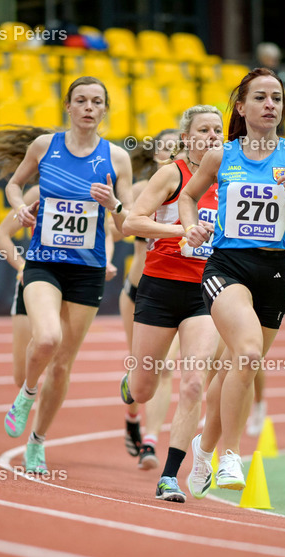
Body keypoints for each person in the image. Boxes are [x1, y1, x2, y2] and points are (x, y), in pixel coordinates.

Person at [180, 68, 285, 492]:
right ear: (242, 107)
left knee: (233, 370)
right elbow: (186, 195)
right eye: (260, 97)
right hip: (227, 268)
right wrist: (190, 228)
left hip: (274, 273)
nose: (270, 104)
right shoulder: (222, 156)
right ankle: (231, 455)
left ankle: (202, 450)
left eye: (277, 97)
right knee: (249, 353)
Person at [2, 76, 134, 475]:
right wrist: (19, 209)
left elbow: (128, 223)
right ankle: (26, 394)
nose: (89, 107)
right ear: (69, 106)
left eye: (97, 101)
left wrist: (114, 204)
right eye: (82, 100)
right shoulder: (45, 147)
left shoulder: (117, 158)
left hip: (87, 270)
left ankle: (38, 443)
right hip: (44, 262)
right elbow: (14, 184)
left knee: (62, 364)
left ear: (104, 109)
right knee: (47, 337)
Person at [121, 105, 224, 502]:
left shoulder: (231, 179)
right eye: (203, 130)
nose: (212, 136)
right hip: (160, 288)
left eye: (218, 130)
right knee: (145, 389)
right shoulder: (172, 174)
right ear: (187, 137)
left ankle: (169, 477)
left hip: (206, 291)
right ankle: (130, 384)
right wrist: (178, 229)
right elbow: (131, 222)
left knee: (195, 382)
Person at [121, 128, 178, 467]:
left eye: (177, 148)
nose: (172, 154)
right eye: (166, 149)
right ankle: (131, 419)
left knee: (167, 367)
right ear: (156, 154)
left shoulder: (195, 189)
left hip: (176, 289)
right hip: (137, 292)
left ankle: (151, 442)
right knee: (141, 371)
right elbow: (119, 227)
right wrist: (116, 206)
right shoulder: (143, 190)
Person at [0, 126, 53, 386]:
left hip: (70, 282)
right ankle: (28, 400)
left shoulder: (86, 193)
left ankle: (41, 425)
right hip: (33, 280)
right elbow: (2, 235)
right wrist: (22, 266)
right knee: (21, 376)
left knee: (57, 365)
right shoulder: (37, 194)